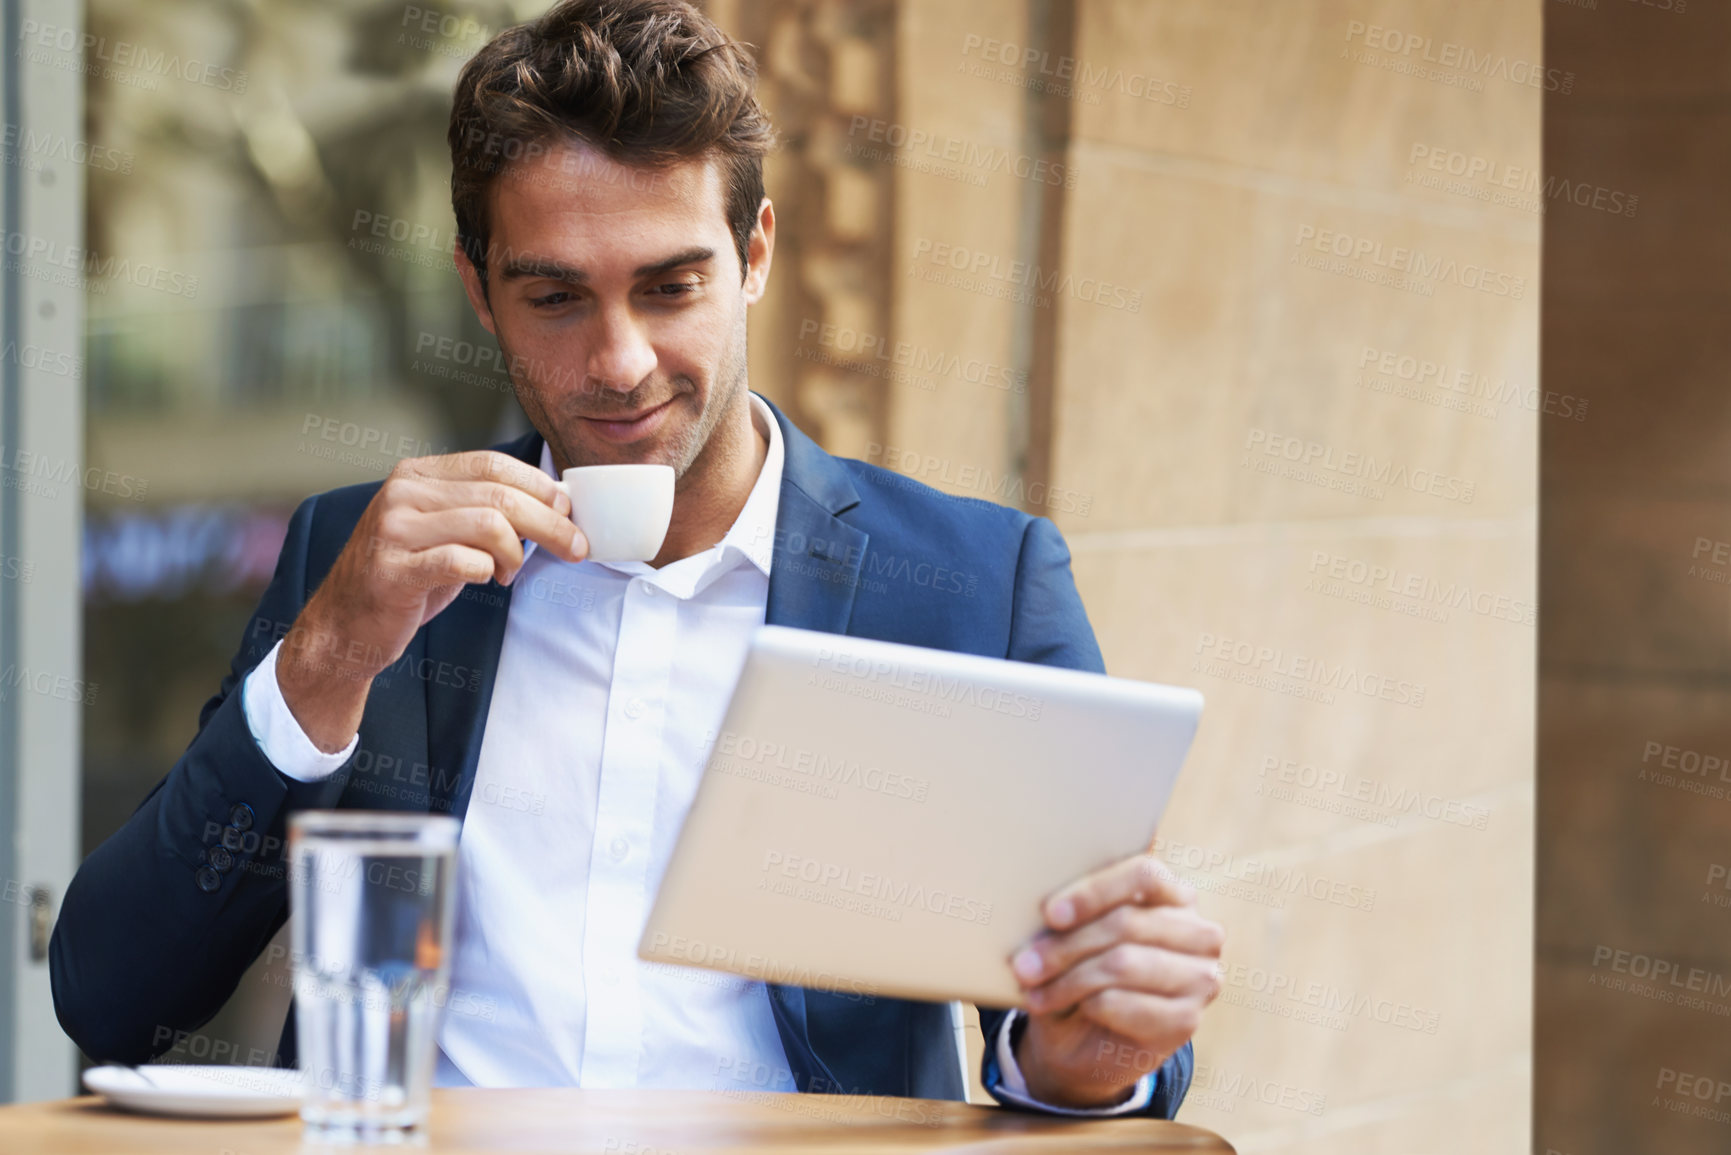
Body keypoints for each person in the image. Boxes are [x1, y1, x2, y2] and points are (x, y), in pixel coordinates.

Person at [51, 0, 1222, 1118]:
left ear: (755, 253)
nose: (619, 361)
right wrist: (326, 659)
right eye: (555, 296)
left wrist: (1080, 1056)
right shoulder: (365, 564)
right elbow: (116, 998)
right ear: (479, 291)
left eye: (672, 287)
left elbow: (1102, 1031)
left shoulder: (974, 581)